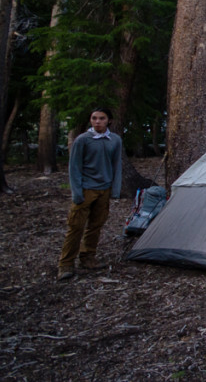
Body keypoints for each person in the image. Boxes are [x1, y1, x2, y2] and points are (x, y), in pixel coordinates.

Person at [57, 107, 123, 281]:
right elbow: (74, 167)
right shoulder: (83, 140)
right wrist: (77, 192)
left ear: (109, 120)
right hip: (86, 189)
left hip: (104, 189)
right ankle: (66, 264)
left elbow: (117, 165)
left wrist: (115, 190)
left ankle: (88, 258)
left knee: (95, 225)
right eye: (94, 118)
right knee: (76, 226)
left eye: (101, 118)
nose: (97, 122)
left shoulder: (114, 140)